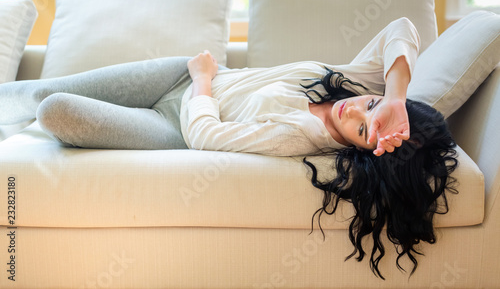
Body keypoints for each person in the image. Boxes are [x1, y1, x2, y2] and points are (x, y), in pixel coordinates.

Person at [0, 17, 458, 278]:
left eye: (363, 131)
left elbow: (206, 137)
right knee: (36, 90)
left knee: (54, 109)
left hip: (172, 124)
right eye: (369, 107)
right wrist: (394, 99)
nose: (353, 112)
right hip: (174, 77)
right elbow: (402, 27)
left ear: (362, 152)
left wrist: (204, 79)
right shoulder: (363, 84)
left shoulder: (296, 137)